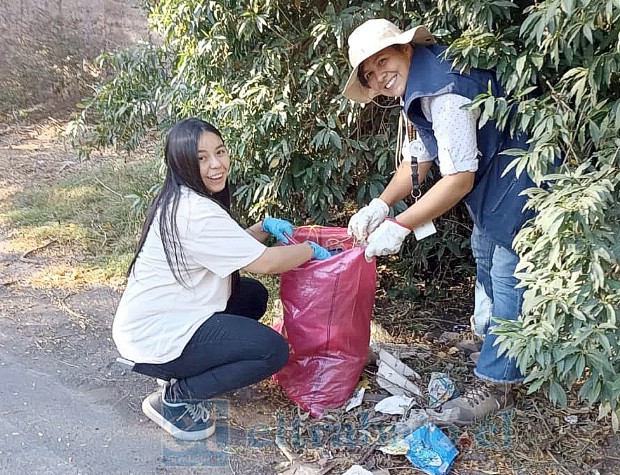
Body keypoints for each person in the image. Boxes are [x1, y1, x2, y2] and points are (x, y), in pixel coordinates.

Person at [343, 19, 541, 421]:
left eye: (382, 61)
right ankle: (487, 339)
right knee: (484, 253)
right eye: (369, 74)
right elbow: (421, 155)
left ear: (405, 49)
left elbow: (458, 179)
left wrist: (399, 226)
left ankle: (499, 382)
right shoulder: (425, 75)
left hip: (521, 184)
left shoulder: (443, 88)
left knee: (507, 278)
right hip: (499, 182)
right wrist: (380, 204)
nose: (379, 77)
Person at [112, 118, 331, 441]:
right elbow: (268, 263)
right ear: (181, 162)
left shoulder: (182, 198)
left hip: (161, 321)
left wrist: (261, 228)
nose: (216, 165)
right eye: (201, 158)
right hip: (155, 338)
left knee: (252, 295)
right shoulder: (195, 213)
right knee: (271, 351)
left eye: (220, 152)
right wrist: (310, 250)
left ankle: (186, 370)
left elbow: (225, 249)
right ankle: (177, 397)